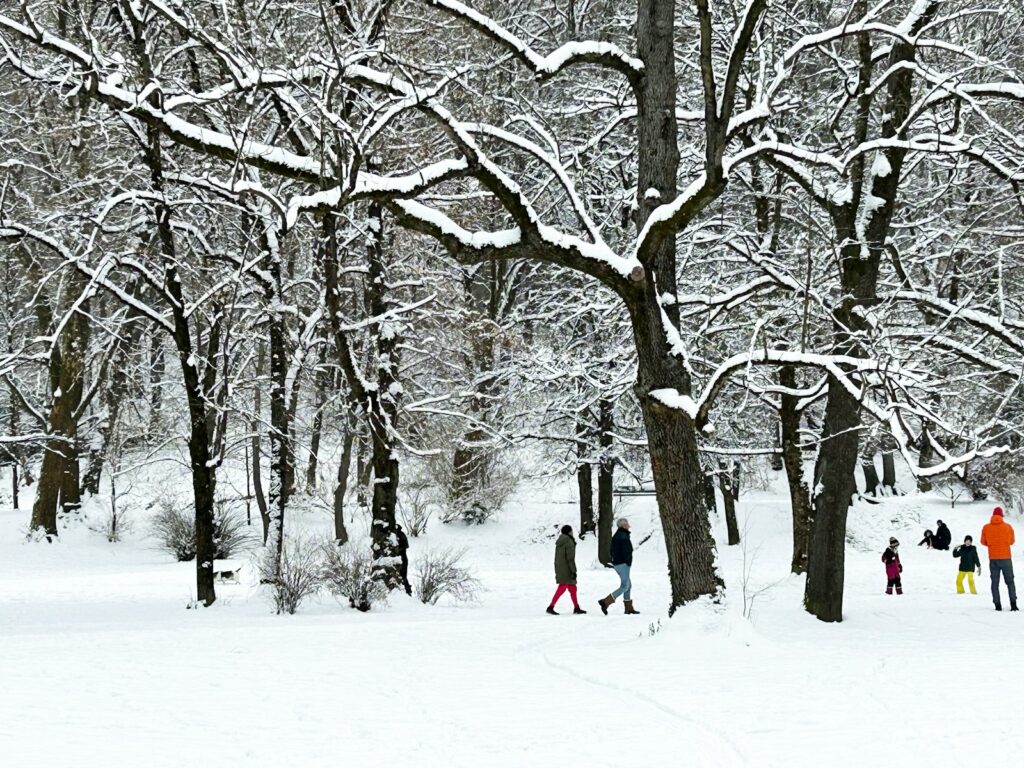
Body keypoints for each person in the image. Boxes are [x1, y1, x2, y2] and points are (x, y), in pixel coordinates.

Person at [598, 518, 639, 615]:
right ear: (623, 525)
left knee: (628, 585)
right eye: (627, 523)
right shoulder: (622, 536)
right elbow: (626, 551)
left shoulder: (619, 535)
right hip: (622, 564)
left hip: (619, 563)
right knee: (625, 586)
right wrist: (627, 562)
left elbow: (613, 551)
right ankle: (605, 602)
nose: (629, 525)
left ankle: (628, 608)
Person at [980, 507, 1017, 611]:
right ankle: (1013, 604)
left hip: (993, 559)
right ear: (1002, 516)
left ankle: (997, 605)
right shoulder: (1008, 527)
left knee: (995, 582)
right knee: (1010, 582)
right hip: (1006, 558)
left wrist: (992, 545)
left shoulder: (986, 527)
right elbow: (1012, 541)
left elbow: (983, 542)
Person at [547, 525, 585, 615]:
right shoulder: (568, 541)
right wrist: (573, 570)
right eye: (571, 531)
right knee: (563, 586)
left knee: (572, 587)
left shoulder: (560, 541)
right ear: (569, 532)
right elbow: (570, 558)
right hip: (566, 567)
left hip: (560, 567)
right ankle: (551, 607)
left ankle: (576, 607)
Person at [394, 523, 411, 596]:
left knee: (403, 576)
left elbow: (405, 546)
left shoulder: (400, 535)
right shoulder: (400, 535)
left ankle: (407, 592)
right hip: (401, 558)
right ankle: (407, 592)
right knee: (402, 576)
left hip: (402, 558)